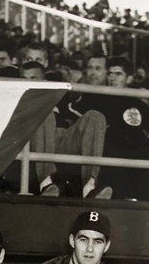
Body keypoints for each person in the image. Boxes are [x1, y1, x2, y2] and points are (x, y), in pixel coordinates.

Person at [67, 56, 149, 200]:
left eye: (118, 74)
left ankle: (146, 203)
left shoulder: (139, 103)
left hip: (134, 149)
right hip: (112, 149)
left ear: (128, 79)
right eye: (110, 74)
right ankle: (126, 198)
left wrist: (142, 136)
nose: (113, 78)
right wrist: (130, 135)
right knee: (105, 148)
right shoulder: (97, 99)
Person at [20, 62, 109, 199]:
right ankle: (47, 185)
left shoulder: (61, 99)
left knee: (95, 116)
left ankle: (90, 187)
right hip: (37, 140)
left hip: (64, 137)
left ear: (43, 81)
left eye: (33, 78)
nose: (27, 83)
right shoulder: (17, 101)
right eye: (23, 79)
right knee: (45, 113)